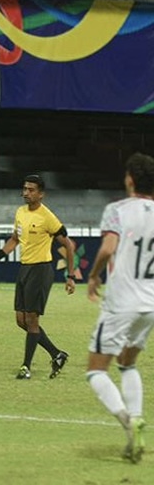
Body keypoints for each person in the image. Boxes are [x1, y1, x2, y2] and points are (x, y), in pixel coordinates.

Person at [84, 153, 154, 463]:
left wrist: (94, 275)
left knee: (96, 370)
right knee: (127, 363)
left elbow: (108, 248)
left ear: (130, 179)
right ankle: (137, 417)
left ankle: (127, 421)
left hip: (122, 302)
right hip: (150, 304)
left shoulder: (117, 210)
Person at [0, 174, 78, 380]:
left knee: (32, 320)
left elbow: (68, 245)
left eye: (31, 190)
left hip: (41, 270)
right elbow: (14, 239)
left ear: (41, 194)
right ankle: (57, 354)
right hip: (25, 269)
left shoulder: (47, 217)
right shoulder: (20, 212)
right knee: (21, 320)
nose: (26, 193)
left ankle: (26, 366)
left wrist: (70, 276)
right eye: (25, 189)